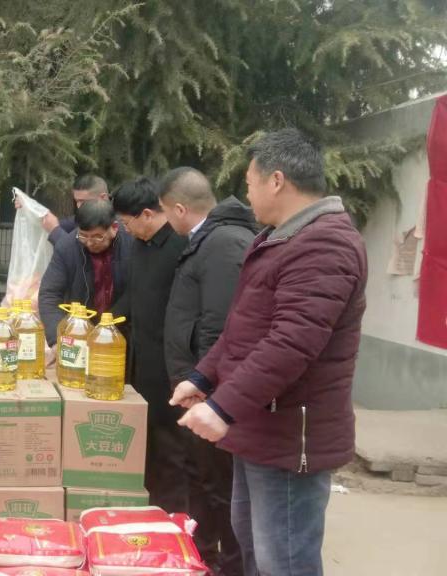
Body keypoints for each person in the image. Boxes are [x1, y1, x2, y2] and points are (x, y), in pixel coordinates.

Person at [171, 129, 367, 576]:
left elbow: (292, 343)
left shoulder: (325, 245)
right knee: (255, 549)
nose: (247, 194)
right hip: (260, 424)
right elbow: (242, 329)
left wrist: (222, 407)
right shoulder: (280, 239)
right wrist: (202, 378)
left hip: (289, 434)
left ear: (276, 180)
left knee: (285, 560)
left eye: (249, 182)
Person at [159, 167, 255, 576]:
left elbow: (222, 326)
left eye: (166, 212)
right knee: (203, 478)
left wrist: (206, 383)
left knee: (223, 486)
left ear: (180, 209)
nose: (167, 222)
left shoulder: (223, 243)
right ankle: (204, 555)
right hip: (199, 388)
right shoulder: (208, 240)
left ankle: (230, 564)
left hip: (213, 393)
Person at [112, 176, 190, 514]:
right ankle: (149, 507)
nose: (126, 231)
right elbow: (133, 296)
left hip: (171, 365)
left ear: (146, 214)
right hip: (142, 360)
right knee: (148, 441)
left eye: (126, 223)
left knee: (171, 445)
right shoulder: (141, 246)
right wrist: (105, 322)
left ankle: (172, 516)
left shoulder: (180, 245)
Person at [39, 199, 132, 347]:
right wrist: (57, 340)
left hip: (122, 335)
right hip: (79, 333)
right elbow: (49, 294)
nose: (89, 243)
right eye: (83, 236)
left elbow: (137, 290)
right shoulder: (67, 247)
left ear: (114, 228)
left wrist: (107, 327)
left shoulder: (131, 242)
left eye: (97, 237)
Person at [15, 174, 110, 246]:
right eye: (77, 201)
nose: (79, 206)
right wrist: (30, 207)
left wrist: (55, 231)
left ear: (103, 198)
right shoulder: (81, 220)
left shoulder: (113, 226)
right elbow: (51, 223)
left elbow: (78, 256)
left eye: (83, 201)